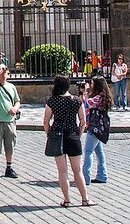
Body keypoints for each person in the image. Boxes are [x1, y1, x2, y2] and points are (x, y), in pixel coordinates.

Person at [43, 74, 96, 207]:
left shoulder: (52, 101)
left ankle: (67, 200)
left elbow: (46, 121)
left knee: (62, 171)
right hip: (73, 135)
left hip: (58, 134)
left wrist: (49, 133)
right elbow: (83, 121)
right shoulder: (77, 101)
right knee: (77, 170)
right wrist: (79, 134)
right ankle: (85, 199)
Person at [82, 75, 111, 185]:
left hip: (95, 127)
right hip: (99, 127)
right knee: (99, 152)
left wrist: (85, 91)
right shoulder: (103, 96)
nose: (91, 85)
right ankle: (102, 175)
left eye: (92, 83)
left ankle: (85, 177)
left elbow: (86, 103)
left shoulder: (99, 97)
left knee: (88, 151)